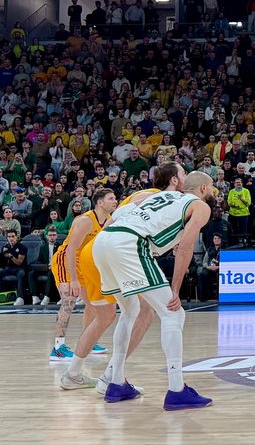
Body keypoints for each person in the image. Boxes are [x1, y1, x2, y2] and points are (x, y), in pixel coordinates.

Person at [92, 171, 216, 410]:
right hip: (129, 244)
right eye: (211, 189)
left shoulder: (160, 196)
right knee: (174, 314)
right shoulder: (200, 206)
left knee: (130, 311)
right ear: (202, 189)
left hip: (104, 241)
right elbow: (185, 248)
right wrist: (175, 290)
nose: (212, 193)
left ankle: (116, 384)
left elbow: (119, 213)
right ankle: (177, 390)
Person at [59, 165, 182, 392]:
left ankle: (73, 373)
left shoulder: (144, 196)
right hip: (111, 252)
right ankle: (112, 376)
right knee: (144, 311)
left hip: (97, 253)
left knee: (104, 316)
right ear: (174, 181)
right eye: (183, 174)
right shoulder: (158, 197)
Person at [48, 188, 117, 361]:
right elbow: (71, 250)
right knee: (69, 301)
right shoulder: (85, 220)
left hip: (86, 262)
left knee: (93, 304)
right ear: (100, 202)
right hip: (66, 260)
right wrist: (73, 280)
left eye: (115, 198)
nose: (115, 201)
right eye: (111, 198)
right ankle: (58, 348)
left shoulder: (109, 220)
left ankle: (89, 342)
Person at [1, 229, 27, 306]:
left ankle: (20, 298)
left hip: (19, 268)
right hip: (8, 268)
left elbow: (19, 262)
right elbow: (2, 262)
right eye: (9, 237)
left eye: (13, 236)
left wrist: (11, 256)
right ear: (7, 238)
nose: (11, 238)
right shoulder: (5, 247)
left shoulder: (22, 247)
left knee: (21, 274)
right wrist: (3, 254)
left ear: (16, 237)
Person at [198, 233, 222, 300]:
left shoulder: (224, 250)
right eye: (215, 238)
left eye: (218, 238)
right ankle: (203, 297)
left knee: (219, 275)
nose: (217, 240)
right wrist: (209, 267)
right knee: (202, 274)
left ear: (221, 240)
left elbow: (226, 263)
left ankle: (218, 296)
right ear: (213, 240)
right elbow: (204, 262)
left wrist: (218, 267)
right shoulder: (209, 250)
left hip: (220, 268)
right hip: (210, 268)